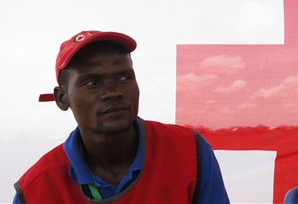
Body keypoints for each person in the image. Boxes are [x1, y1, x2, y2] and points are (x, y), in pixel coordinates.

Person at [13, 30, 230, 204]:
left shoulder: (190, 151)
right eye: (92, 82)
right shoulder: (35, 191)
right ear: (62, 99)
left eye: (124, 77)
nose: (113, 92)